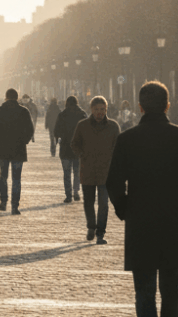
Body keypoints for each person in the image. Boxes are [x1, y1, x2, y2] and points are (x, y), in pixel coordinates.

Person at [106, 81, 178, 317]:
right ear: (168, 106)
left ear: (140, 107)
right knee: (171, 289)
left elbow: (113, 181)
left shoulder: (127, 139)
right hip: (173, 221)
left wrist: (125, 209)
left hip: (140, 221)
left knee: (144, 291)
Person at [71, 96, 120, 244]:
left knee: (104, 203)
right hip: (88, 170)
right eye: (97, 110)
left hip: (106, 172)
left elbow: (119, 147)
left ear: (106, 110)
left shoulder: (113, 126)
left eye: (103, 110)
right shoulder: (82, 125)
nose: (100, 112)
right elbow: (74, 144)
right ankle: (91, 226)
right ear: (91, 110)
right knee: (88, 202)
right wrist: (82, 154)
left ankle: (100, 233)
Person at [0, 88, 34, 215]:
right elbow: (30, 129)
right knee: (16, 179)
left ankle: (3, 202)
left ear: (6, 97)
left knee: (3, 177)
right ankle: (15, 206)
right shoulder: (24, 111)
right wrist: (24, 141)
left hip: (3, 149)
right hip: (19, 150)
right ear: (17, 97)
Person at [54, 96, 85, 203]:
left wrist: (58, 139)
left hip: (65, 148)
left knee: (66, 173)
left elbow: (56, 131)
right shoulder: (82, 114)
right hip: (78, 148)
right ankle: (76, 192)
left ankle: (68, 195)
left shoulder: (62, 115)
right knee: (77, 172)